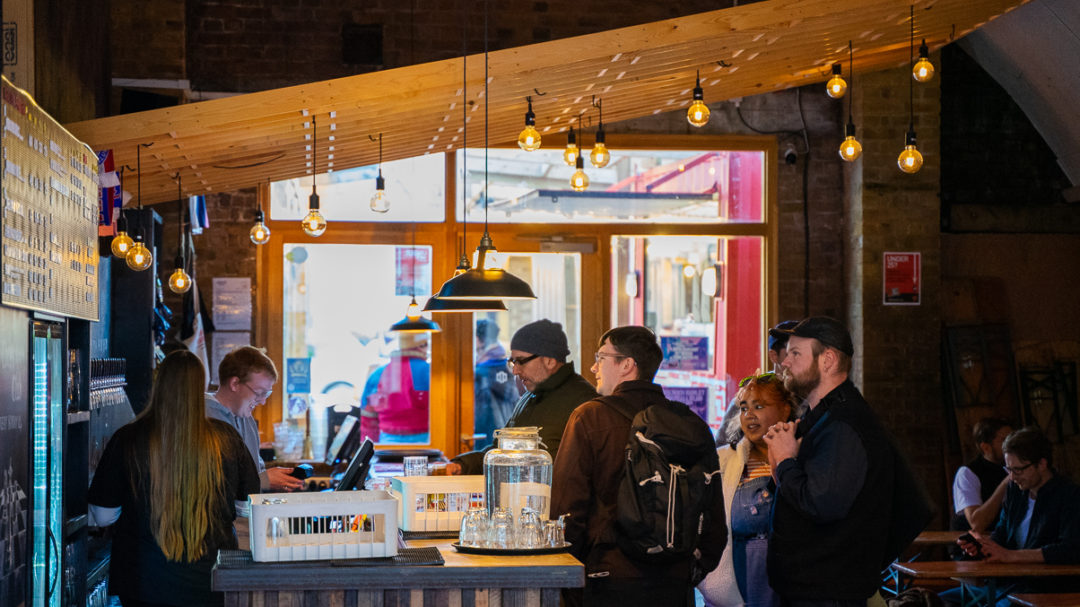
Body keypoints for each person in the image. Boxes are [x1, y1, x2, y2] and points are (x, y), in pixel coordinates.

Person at [552, 325, 727, 607]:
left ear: (627, 365)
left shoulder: (590, 418)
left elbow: (566, 510)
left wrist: (571, 578)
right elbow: (714, 519)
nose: (593, 367)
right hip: (673, 584)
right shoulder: (691, 425)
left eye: (601, 357)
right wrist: (687, 570)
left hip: (606, 579)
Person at [764, 316, 929, 607]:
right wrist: (781, 467)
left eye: (795, 353)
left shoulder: (844, 425)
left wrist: (787, 460)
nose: (785, 362)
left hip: (828, 594)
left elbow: (822, 503)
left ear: (827, 360)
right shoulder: (823, 418)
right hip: (813, 589)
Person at [88, 350, 260, 607]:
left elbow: (102, 516)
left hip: (144, 580)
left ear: (158, 384)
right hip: (210, 579)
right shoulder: (225, 439)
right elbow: (245, 506)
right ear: (201, 388)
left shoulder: (128, 438)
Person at [698, 372, 798, 607]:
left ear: (784, 410)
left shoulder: (803, 458)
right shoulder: (723, 461)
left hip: (789, 581)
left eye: (759, 406)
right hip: (736, 580)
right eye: (744, 408)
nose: (749, 415)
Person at [449, 319, 597, 474]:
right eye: (512, 362)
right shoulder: (529, 397)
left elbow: (584, 471)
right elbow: (501, 451)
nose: (515, 371)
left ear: (550, 361)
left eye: (520, 361)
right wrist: (462, 465)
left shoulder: (585, 402)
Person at [957, 427, 1080, 599]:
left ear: (1042, 464)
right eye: (1009, 470)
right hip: (1008, 582)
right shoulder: (1016, 491)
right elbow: (1002, 533)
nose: (1012, 477)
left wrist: (1010, 556)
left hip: (1041, 588)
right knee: (937, 600)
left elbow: (1070, 549)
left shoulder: (1070, 495)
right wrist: (983, 548)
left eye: (1018, 470)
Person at [205, 346, 303, 492]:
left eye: (266, 394)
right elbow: (210, 479)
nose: (262, 401)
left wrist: (276, 483)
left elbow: (255, 471)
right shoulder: (206, 418)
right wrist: (264, 480)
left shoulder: (247, 420)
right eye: (259, 393)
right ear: (235, 384)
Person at [718, 320, 799, 445]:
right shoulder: (751, 392)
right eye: (792, 353)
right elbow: (723, 444)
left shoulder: (812, 393)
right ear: (773, 356)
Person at [359, 332, 431, 443]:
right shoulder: (430, 372)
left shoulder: (378, 374)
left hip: (387, 442)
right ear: (422, 346)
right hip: (427, 442)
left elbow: (368, 417)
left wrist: (370, 450)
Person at [951, 417, 1012, 534]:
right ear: (986, 447)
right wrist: (1006, 482)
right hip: (972, 547)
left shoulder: (1012, 467)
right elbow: (976, 523)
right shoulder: (967, 474)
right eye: (1004, 440)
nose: (1011, 445)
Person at [473, 319, 519, 450]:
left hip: (488, 435)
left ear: (477, 339)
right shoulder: (504, 364)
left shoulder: (482, 371)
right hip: (504, 432)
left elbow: (481, 414)